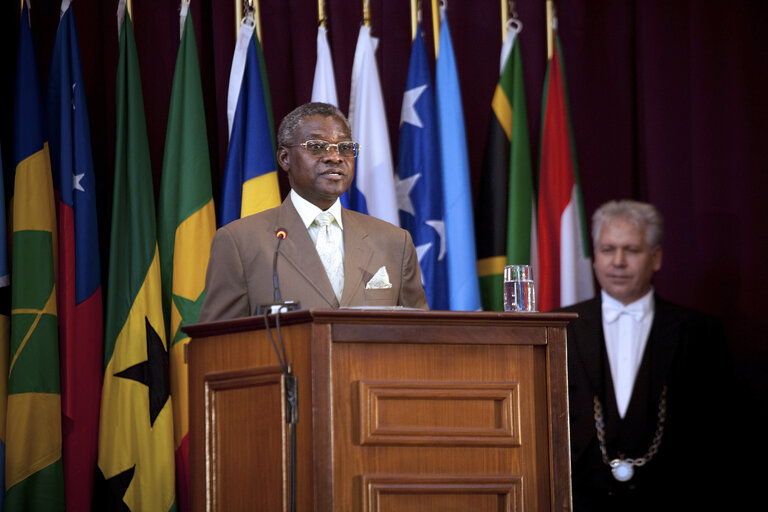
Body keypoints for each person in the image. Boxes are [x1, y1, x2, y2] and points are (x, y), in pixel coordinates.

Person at [560, 199, 733, 511]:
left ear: (655, 257)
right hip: (577, 500)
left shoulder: (699, 331)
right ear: (594, 257)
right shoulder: (558, 327)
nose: (618, 261)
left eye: (632, 250)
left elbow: (720, 431)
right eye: (608, 249)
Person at [199, 102, 428, 322]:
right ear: (284, 158)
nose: (335, 157)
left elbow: (419, 336)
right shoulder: (240, 242)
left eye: (345, 147)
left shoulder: (395, 242)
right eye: (317, 147)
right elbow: (217, 345)